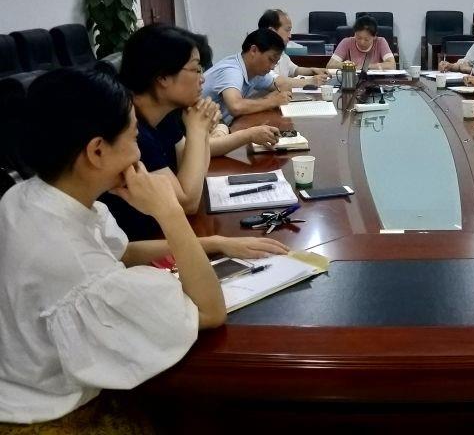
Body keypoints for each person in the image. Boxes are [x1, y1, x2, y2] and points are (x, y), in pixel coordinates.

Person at [0, 68, 229, 425]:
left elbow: (122, 252)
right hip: (54, 411)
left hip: (17, 382)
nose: (139, 153)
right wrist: (169, 212)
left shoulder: (25, 195)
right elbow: (211, 312)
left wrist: (215, 242)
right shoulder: (78, 265)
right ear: (96, 151)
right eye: (134, 137)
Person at [102, 25, 282, 241]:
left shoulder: (165, 113)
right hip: (142, 241)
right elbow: (188, 202)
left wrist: (203, 130)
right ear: (163, 77)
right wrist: (198, 130)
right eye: (196, 69)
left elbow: (192, 165)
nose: (203, 79)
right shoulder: (132, 131)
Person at [202, 27, 292, 123]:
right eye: (271, 60)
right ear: (254, 50)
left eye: (275, 62)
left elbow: (282, 85)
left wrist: (273, 97)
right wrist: (272, 101)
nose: (273, 67)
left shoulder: (255, 71)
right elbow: (235, 107)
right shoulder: (232, 70)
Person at [258, 8, 328, 87]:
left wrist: (312, 70)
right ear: (271, 31)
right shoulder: (259, 54)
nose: (290, 36)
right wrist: (309, 82)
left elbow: (294, 70)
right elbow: (274, 81)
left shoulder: (281, 53)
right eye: (287, 30)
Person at [326, 15, 396, 70]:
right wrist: (344, 65)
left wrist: (366, 66)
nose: (362, 42)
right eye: (358, 38)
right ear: (354, 33)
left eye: (366, 39)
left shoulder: (380, 42)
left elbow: (392, 65)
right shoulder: (346, 42)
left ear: (374, 36)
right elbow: (329, 66)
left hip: (375, 81)